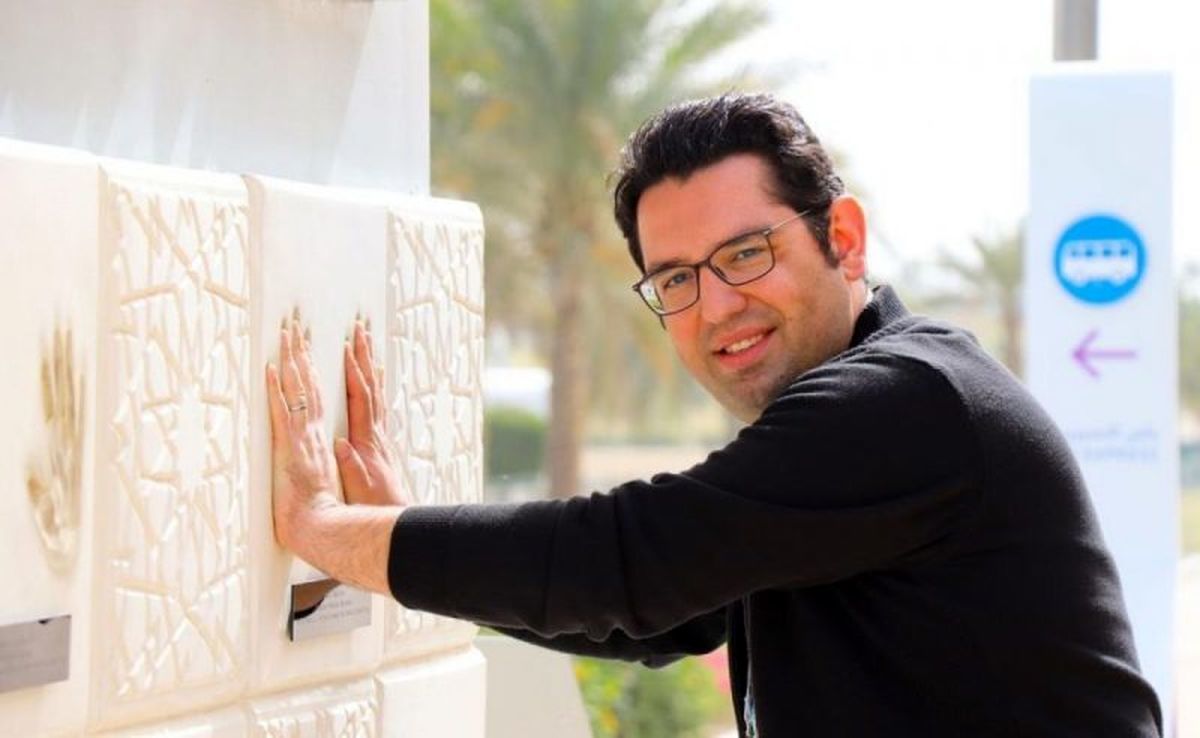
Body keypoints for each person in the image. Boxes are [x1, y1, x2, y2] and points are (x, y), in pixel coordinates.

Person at [267, 93, 1162, 736]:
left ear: (844, 238)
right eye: (676, 279)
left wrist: (323, 529)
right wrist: (393, 544)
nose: (717, 306)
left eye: (746, 253)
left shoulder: (910, 400)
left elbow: (625, 563)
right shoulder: (850, 453)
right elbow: (658, 611)